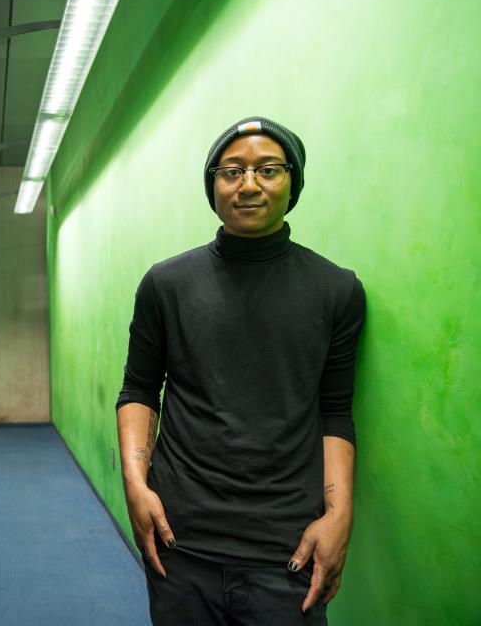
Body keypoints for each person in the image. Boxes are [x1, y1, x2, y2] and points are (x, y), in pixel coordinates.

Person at [116, 117, 366, 625]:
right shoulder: (166, 285)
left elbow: (334, 412)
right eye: (232, 171)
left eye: (267, 170)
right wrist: (135, 482)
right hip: (179, 542)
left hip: (288, 549)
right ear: (213, 185)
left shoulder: (337, 290)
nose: (248, 184)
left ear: (292, 182)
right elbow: (140, 390)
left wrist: (339, 515)